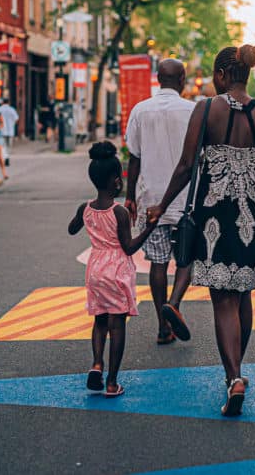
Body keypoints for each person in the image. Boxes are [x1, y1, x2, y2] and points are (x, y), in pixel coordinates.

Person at [147, 44, 255, 417]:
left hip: (216, 209)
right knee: (242, 291)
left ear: (223, 75)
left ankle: (234, 377)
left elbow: (185, 165)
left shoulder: (206, 109)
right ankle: (236, 372)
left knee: (223, 298)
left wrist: (162, 205)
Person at [68, 142, 156, 398]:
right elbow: (128, 248)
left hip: (95, 270)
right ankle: (112, 382)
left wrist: (82, 220)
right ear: (117, 181)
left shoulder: (85, 208)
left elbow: (72, 229)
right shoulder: (118, 212)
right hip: (116, 270)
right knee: (117, 325)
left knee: (99, 320)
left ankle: (97, 363)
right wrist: (149, 228)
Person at [125, 59, 197, 345]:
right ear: (182, 79)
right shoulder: (192, 111)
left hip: (151, 200)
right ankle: (175, 305)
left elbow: (134, 156)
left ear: (157, 79)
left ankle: (162, 325)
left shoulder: (140, 110)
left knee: (157, 263)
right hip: (186, 199)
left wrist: (130, 196)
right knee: (186, 258)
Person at [0, 98, 19, 167]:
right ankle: (7, 156)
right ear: (8, 102)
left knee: (3, 145)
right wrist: (13, 124)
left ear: (2, 102)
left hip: (2, 130)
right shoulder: (12, 109)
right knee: (9, 146)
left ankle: (5, 157)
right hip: (10, 130)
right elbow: (16, 119)